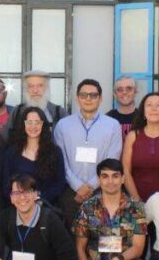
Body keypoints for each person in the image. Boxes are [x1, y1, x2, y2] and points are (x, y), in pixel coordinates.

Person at [53, 79, 123, 226]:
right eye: (84, 95)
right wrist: (78, 186)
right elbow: (60, 160)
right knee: (70, 235)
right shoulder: (63, 125)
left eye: (93, 95)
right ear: (77, 98)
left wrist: (90, 186)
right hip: (70, 193)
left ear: (101, 98)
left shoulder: (112, 125)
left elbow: (112, 160)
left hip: (101, 191)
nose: (88, 99)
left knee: (100, 234)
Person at [2, 107, 66, 209]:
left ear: (43, 125)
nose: (33, 126)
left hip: (46, 208)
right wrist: (21, 200)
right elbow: (6, 184)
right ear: (23, 125)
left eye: (37, 122)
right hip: (18, 207)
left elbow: (60, 183)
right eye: (29, 122)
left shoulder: (55, 152)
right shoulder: (11, 152)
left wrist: (38, 198)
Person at [7, 70, 67, 135]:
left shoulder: (59, 112)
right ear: (26, 89)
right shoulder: (17, 111)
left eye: (40, 86)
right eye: (31, 86)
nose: (35, 91)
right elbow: (7, 137)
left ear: (47, 87)